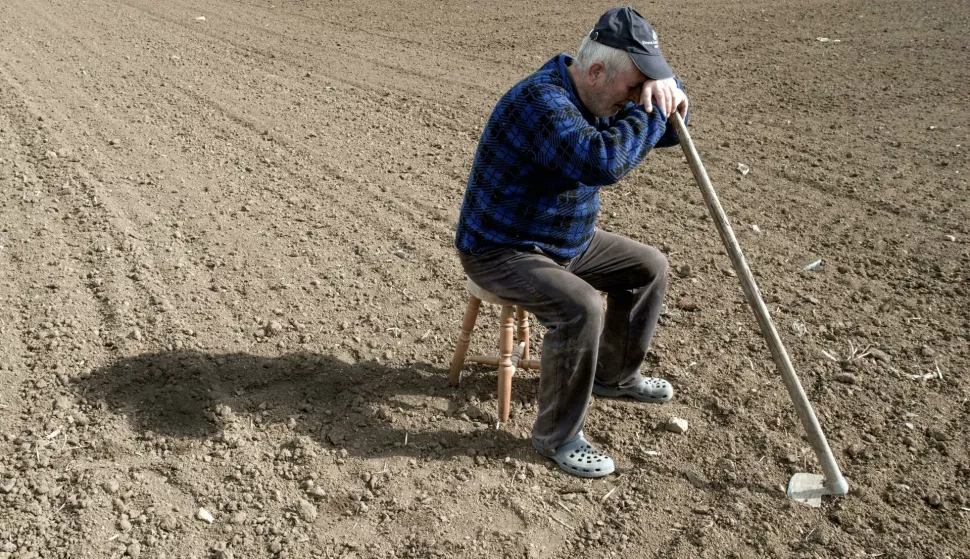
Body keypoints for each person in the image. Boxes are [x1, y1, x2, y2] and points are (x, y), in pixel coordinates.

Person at [454, 6, 689, 478]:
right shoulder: (541, 103)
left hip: (563, 242)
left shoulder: (600, 94)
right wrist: (653, 111)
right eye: (633, 88)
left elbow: (661, 134)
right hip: (502, 248)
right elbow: (602, 162)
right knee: (582, 306)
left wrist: (669, 98)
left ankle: (614, 376)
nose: (634, 101)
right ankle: (556, 437)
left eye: (644, 89)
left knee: (648, 267)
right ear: (598, 70)